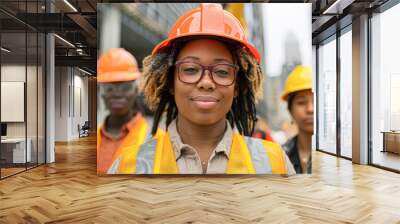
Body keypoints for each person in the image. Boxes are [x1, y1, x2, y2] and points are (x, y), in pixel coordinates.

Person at [108, 3, 295, 175]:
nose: (206, 82)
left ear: (237, 86)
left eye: (222, 71)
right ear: (170, 82)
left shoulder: (275, 162)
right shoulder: (127, 166)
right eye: (190, 69)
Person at [97, 48, 150, 175]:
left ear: (137, 90)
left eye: (125, 88)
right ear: (101, 93)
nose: (117, 94)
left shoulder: (154, 137)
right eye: (109, 88)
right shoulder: (94, 138)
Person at [281, 65, 313, 174]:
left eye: (316, 100)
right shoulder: (280, 156)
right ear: (290, 110)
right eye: (301, 102)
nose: (310, 109)